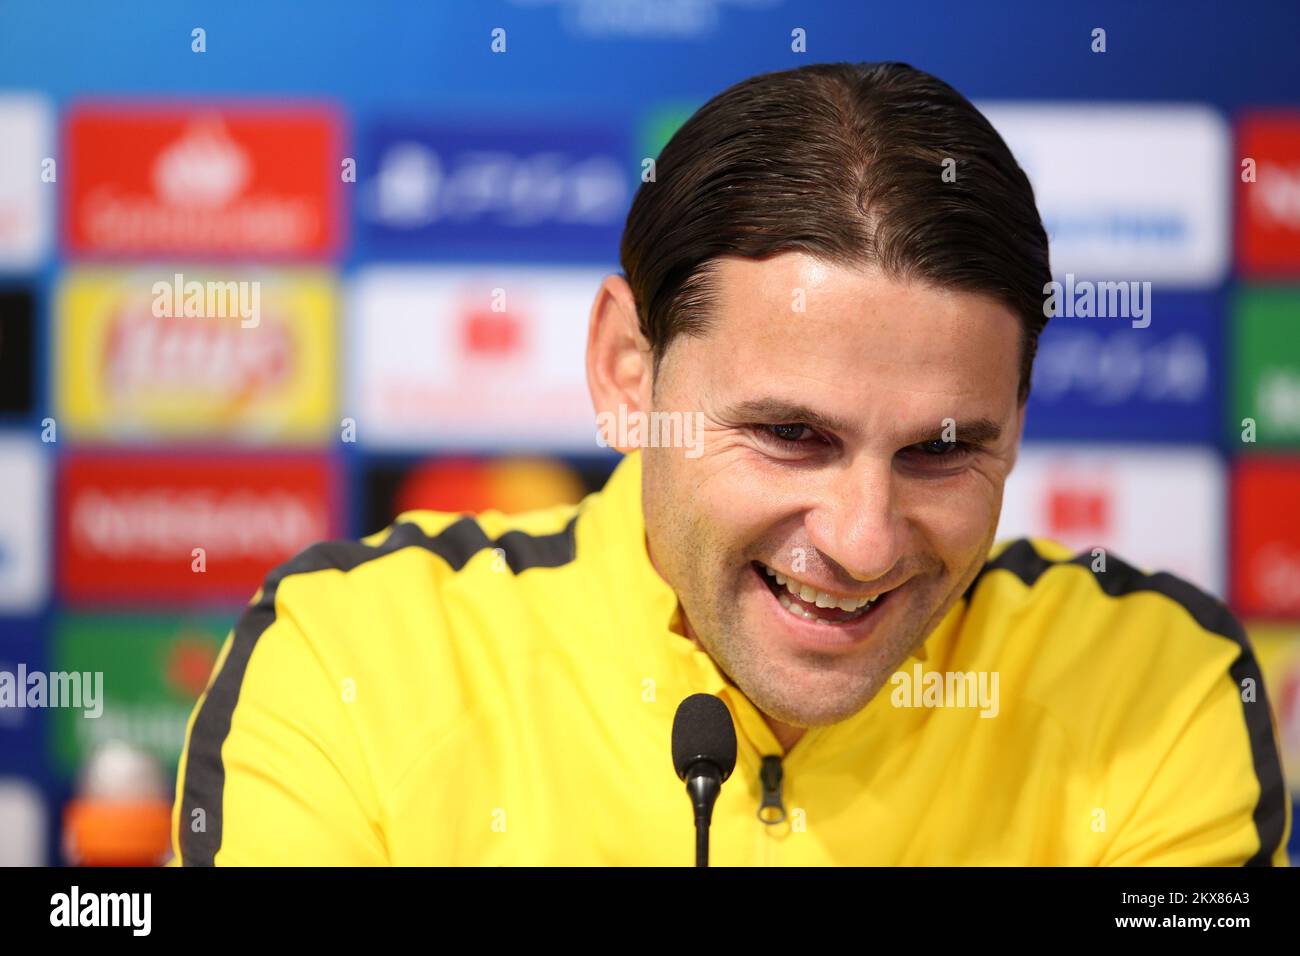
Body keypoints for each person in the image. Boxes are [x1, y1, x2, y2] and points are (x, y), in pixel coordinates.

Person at [172, 61, 1290, 865]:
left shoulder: (1154, 690)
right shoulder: (352, 662)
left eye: (941, 451)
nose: (860, 538)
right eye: (789, 434)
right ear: (624, 373)